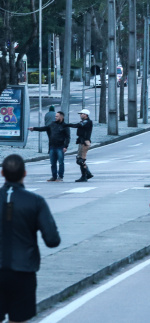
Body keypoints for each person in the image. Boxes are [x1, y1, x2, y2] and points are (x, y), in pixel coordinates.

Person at [0, 154, 60, 323]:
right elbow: (52, 240)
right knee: (18, 319)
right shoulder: (35, 201)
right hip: (23, 271)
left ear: (2, 173)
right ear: (24, 173)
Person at [66, 109, 94, 182]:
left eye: (82, 114)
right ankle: (87, 173)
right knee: (80, 160)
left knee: (81, 160)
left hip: (85, 142)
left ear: (86, 115)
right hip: (82, 141)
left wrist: (66, 124)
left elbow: (77, 125)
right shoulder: (84, 122)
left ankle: (85, 176)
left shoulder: (87, 122)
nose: (80, 115)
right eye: (80, 114)